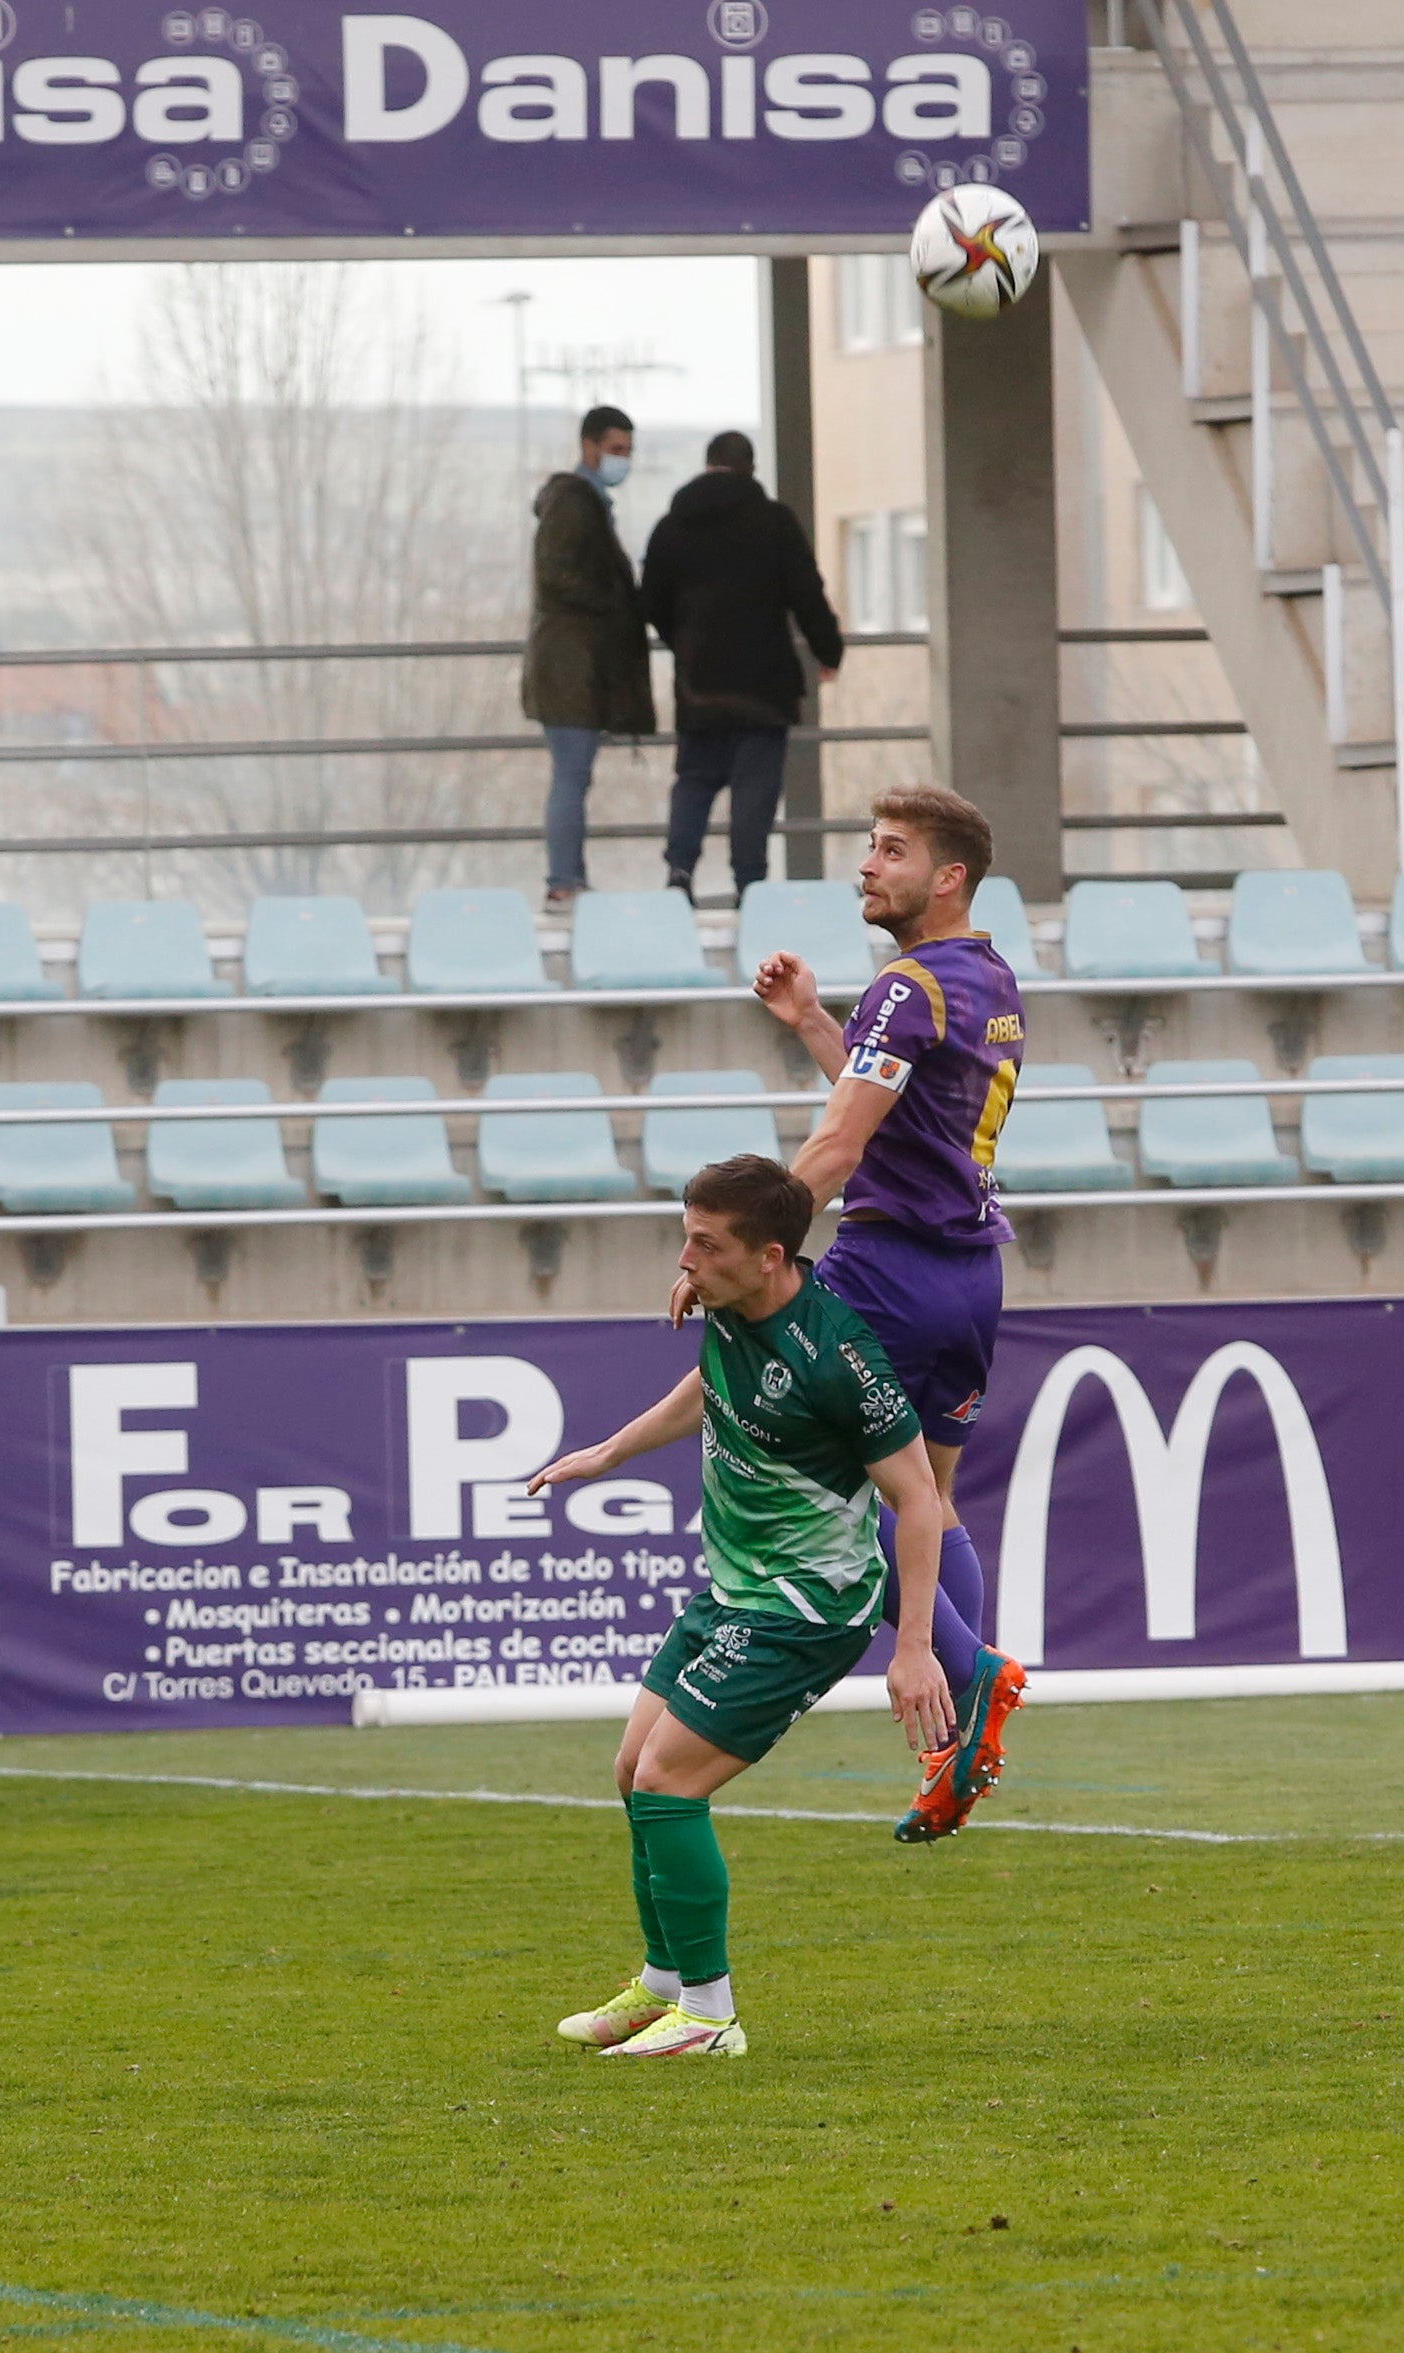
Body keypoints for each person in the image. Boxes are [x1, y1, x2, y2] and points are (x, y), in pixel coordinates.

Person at [530, 1153, 949, 2059]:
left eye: (704, 1244)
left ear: (770, 1257)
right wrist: (607, 1451)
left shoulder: (841, 1356)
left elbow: (920, 1498)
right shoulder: (727, 1304)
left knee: (668, 1780)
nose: (685, 1260)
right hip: (736, 1588)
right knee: (632, 1767)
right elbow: (710, 1387)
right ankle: (663, 1986)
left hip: (805, 1607)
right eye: (685, 1236)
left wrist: (912, 1647)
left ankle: (712, 2018)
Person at [673, 786, 1027, 1846]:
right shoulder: (987, 977)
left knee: (827, 1496)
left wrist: (745, 1251)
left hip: (883, 1267)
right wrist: (818, 1026)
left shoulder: (906, 985)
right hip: (968, 1273)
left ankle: (968, 1678)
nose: (867, 868)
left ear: (947, 875)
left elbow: (835, 1150)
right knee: (928, 1497)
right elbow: (901, 1114)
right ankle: (963, 1710)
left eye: (890, 851)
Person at [640, 429, 843, 904]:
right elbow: (806, 593)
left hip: (699, 682)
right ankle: (749, 884)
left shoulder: (672, 526)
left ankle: (680, 872)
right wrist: (827, 652)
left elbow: (649, 601)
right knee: (755, 788)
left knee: (694, 779)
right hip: (764, 682)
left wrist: (684, 643)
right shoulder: (774, 522)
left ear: (707, 465)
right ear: (751, 469)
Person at [522, 404, 655, 914]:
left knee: (573, 776)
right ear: (590, 446)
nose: (623, 460)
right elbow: (557, 575)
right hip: (570, 671)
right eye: (617, 450)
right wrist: (615, 599)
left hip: (573, 669)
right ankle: (564, 882)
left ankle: (568, 879)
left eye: (628, 452)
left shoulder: (584, 502)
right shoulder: (574, 504)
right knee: (571, 777)